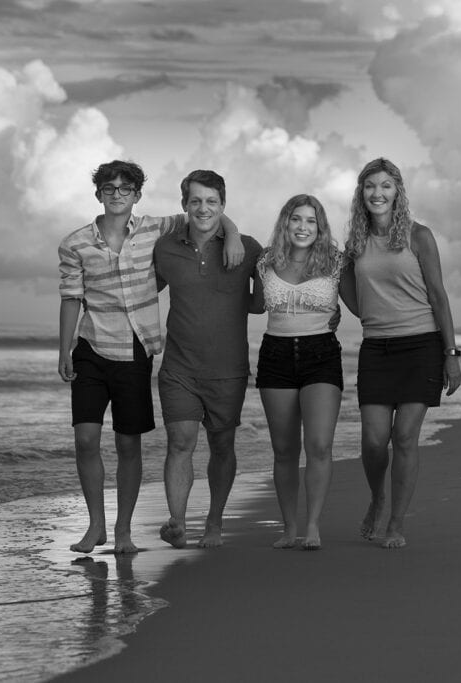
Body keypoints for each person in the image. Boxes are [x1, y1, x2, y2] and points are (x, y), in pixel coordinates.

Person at [58, 160, 243, 554]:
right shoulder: (75, 243)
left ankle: (123, 531)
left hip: (136, 352)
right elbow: (71, 296)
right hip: (91, 348)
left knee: (128, 445)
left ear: (137, 195)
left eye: (126, 189)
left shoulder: (155, 229)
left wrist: (234, 237)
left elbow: (208, 217)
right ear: (98, 194)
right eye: (110, 189)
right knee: (86, 439)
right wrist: (65, 349)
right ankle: (96, 525)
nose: (117, 195)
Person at [339, 157, 461, 549]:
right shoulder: (355, 245)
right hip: (377, 348)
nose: (378, 193)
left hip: (422, 346)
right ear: (362, 193)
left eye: (386, 185)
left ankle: (395, 522)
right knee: (375, 442)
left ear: (397, 191)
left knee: (405, 436)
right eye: (370, 186)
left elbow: (439, 296)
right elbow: (356, 302)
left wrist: (451, 352)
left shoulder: (418, 235)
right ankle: (377, 499)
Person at [153, 169, 263, 549]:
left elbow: (261, 304)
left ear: (223, 205)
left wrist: (231, 235)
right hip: (179, 368)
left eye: (211, 201)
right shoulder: (164, 248)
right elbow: (143, 291)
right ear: (184, 204)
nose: (203, 208)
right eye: (195, 201)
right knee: (179, 441)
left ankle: (214, 523)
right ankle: (178, 522)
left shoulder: (248, 249)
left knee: (222, 446)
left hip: (227, 370)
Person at [251, 195, 344, 550]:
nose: (303, 227)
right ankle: (289, 529)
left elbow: (357, 298)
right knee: (284, 449)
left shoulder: (335, 261)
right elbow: (252, 303)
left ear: (319, 228)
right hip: (275, 354)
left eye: (311, 221)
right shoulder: (264, 260)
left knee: (319, 444)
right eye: (296, 219)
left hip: (320, 352)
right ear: (285, 223)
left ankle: (313, 526)